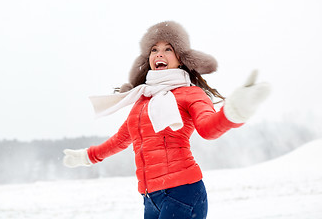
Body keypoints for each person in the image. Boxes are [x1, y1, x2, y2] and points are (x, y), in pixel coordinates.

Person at [63, 21, 271, 219]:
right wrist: (87, 156)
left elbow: (208, 128)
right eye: (154, 49)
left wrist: (234, 112)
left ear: (181, 58)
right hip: (150, 198)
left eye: (168, 48)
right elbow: (120, 140)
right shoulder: (143, 102)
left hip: (182, 193)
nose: (159, 53)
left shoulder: (190, 94)